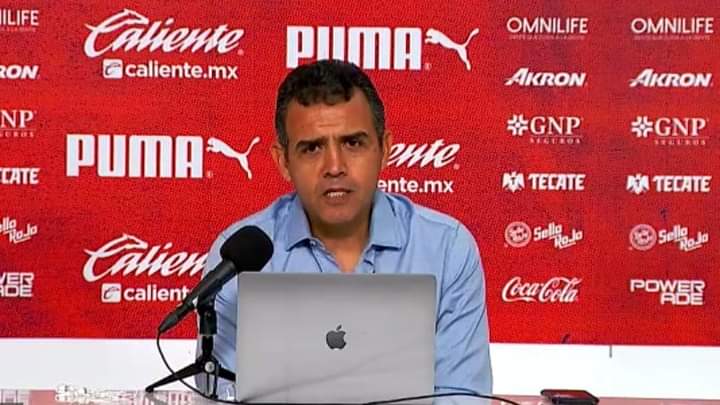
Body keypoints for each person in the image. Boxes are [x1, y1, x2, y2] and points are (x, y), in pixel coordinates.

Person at [197, 59, 492, 395]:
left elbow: (462, 396)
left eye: (353, 143)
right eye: (312, 148)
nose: (334, 166)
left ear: (385, 150)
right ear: (283, 161)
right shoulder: (238, 259)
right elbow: (224, 395)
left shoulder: (447, 249)